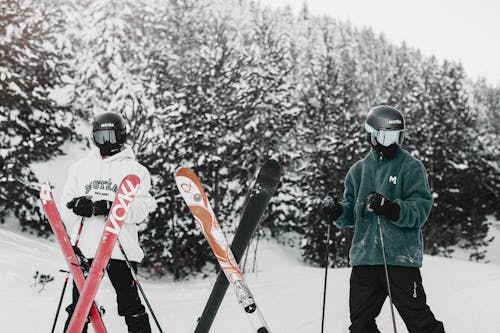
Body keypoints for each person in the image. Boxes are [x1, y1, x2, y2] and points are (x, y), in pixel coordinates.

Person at [322, 105, 444, 333]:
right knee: (360, 325)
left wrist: (391, 209)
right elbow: (351, 212)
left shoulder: (411, 167)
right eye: (386, 137)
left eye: (397, 136)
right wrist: (337, 211)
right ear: (372, 134)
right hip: (364, 260)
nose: (392, 143)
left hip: (400, 259)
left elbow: (420, 209)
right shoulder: (358, 171)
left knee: (419, 321)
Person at [60, 111, 157, 333]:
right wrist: (77, 205)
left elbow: (141, 209)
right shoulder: (79, 169)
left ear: (121, 136)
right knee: (80, 305)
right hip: (85, 247)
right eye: (101, 137)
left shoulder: (136, 171)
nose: (106, 143)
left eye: (111, 137)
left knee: (129, 302)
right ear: (94, 138)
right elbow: (65, 210)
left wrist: (115, 207)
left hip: (120, 248)